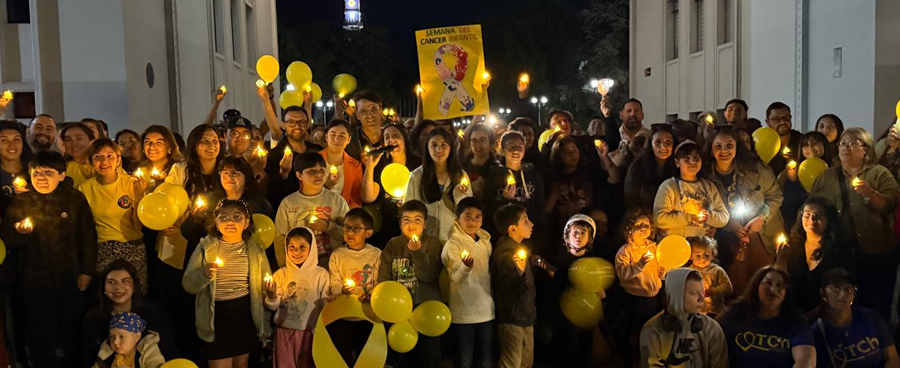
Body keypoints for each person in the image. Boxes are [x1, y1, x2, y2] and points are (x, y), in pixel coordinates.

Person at [1, 151, 97, 368]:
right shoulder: (21, 200)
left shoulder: (74, 199)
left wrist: (87, 271)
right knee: (39, 329)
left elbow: (88, 236)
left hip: (70, 276)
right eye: (36, 173)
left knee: (73, 327)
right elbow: (7, 239)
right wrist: (19, 233)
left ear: (61, 175)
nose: (41, 177)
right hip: (33, 278)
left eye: (48, 173)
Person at [810, 127, 900, 322]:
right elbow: (811, 207)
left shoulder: (879, 173)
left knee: (877, 304)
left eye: (852, 144)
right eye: (842, 143)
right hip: (839, 251)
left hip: (875, 250)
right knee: (841, 304)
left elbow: (891, 203)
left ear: (865, 150)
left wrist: (870, 194)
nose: (845, 148)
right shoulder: (826, 177)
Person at [182, 199, 272, 368]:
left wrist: (265, 321)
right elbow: (188, 284)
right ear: (216, 222)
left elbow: (264, 289)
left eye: (237, 217)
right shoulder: (206, 247)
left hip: (244, 316)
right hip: (217, 318)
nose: (230, 222)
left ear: (246, 223)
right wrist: (204, 274)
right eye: (224, 217)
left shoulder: (254, 250)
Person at [703, 128, 783, 295]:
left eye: (729, 145)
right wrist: (727, 223)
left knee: (761, 283)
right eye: (718, 146)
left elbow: (775, 195)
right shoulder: (705, 177)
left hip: (760, 236)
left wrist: (762, 217)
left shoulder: (755, 170)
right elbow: (703, 208)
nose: (724, 151)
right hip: (727, 241)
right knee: (735, 288)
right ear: (711, 149)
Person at [379, 200, 444, 368]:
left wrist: (418, 252)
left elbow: (430, 275)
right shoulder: (394, 244)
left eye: (417, 220)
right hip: (398, 313)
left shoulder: (433, 243)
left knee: (428, 356)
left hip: (425, 309)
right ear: (400, 223)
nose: (411, 225)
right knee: (400, 357)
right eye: (406, 220)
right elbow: (384, 277)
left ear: (425, 224)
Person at [78, 138, 149, 291]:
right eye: (98, 157)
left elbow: (138, 225)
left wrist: (138, 196)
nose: (104, 161)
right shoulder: (84, 189)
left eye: (110, 156)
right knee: (107, 297)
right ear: (91, 161)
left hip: (132, 246)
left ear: (118, 160)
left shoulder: (132, 183)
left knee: (135, 295)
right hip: (102, 250)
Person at [717, 266, 816, 368]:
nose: (773, 290)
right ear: (756, 286)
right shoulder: (733, 315)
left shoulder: (796, 324)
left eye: (780, 285)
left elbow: (807, 362)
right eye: (768, 283)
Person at [82, 260, 174, 367]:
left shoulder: (153, 312)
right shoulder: (93, 319)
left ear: (134, 286)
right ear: (103, 288)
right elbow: (85, 359)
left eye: (124, 281)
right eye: (111, 282)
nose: (118, 287)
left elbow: (168, 350)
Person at [265, 226, 329, 368]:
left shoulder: (321, 274)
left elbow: (326, 301)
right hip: (284, 332)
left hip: (310, 333)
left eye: (302, 247)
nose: (296, 252)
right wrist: (271, 295)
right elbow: (272, 305)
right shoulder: (281, 274)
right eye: (291, 247)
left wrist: (330, 302)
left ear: (311, 249)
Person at [639, 268, 728, 368]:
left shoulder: (712, 328)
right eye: (694, 293)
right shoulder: (652, 330)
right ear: (675, 295)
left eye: (702, 292)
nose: (702, 298)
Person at [810, 268, 900, 368]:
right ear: (823, 293)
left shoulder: (870, 317)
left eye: (849, 289)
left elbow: (893, 357)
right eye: (836, 288)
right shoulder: (817, 333)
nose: (843, 294)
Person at [442, 197, 494, 368]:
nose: (472, 221)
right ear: (457, 219)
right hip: (463, 310)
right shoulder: (453, 244)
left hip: (486, 309)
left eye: (477, 217)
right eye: (467, 216)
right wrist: (465, 267)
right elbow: (455, 277)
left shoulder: (485, 242)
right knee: (464, 359)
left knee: (485, 358)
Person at [274, 152, 349, 268]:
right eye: (312, 171)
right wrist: (284, 266)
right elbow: (280, 238)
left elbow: (349, 232)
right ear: (299, 175)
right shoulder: (288, 203)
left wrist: (328, 227)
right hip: (298, 265)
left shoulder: (336, 200)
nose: (318, 175)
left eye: (322, 170)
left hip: (332, 264)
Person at [326, 208, 381, 365]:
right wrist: (342, 290)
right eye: (346, 227)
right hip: (344, 314)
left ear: (368, 233)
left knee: (366, 357)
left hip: (367, 314)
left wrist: (372, 294)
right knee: (342, 356)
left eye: (355, 228)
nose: (349, 232)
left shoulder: (376, 254)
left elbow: (379, 281)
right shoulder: (338, 255)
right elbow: (334, 282)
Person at [786, 197, 855, 315]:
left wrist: (811, 316)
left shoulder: (839, 252)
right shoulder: (792, 247)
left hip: (826, 316)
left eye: (819, 215)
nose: (812, 219)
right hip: (793, 314)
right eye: (807, 214)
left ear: (829, 219)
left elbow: (840, 292)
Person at [613, 208, 664, 367]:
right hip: (634, 299)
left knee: (651, 331)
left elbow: (661, 268)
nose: (643, 228)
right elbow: (622, 274)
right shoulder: (625, 251)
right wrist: (639, 265)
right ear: (629, 228)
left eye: (647, 225)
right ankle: (631, 360)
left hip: (653, 298)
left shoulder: (655, 248)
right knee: (634, 332)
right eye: (639, 224)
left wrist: (663, 272)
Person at [406, 128, 472, 243]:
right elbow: (409, 208)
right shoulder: (416, 176)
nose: (439, 149)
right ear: (427, 147)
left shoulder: (460, 176)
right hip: (425, 240)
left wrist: (460, 197)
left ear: (451, 148)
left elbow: (468, 210)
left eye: (443, 145)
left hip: (453, 240)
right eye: (434, 145)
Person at [491, 203, 537, 368]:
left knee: (525, 362)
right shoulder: (506, 252)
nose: (531, 224)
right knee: (512, 363)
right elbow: (504, 287)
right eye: (525, 221)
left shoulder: (518, 248)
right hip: (512, 319)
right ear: (512, 228)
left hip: (525, 316)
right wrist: (519, 273)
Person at [361, 124, 422, 247]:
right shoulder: (381, 167)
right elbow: (368, 197)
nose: (391, 140)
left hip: (414, 222)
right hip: (388, 224)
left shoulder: (418, 164)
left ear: (404, 140)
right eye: (387, 137)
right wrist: (370, 167)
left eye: (396, 135)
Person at [654, 141, 729, 238]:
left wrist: (708, 217)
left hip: (703, 247)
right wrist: (690, 217)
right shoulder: (669, 186)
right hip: (677, 245)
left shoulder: (709, 186)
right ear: (677, 162)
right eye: (687, 159)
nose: (692, 162)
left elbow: (724, 217)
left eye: (696, 158)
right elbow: (660, 219)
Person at [484, 131, 545, 249]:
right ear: (502, 150)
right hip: (504, 236)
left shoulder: (533, 175)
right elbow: (489, 203)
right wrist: (503, 198)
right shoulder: (494, 175)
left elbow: (539, 207)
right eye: (511, 146)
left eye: (520, 146)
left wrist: (539, 236)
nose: (516, 150)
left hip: (529, 235)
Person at [265, 106, 323, 208]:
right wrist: (283, 173)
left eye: (302, 122)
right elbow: (270, 192)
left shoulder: (317, 151)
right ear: (283, 125)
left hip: (317, 206)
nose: (297, 126)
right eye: (291, 122)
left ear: (307, 124)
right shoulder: (274, 155)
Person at [778, 132, 832, 231]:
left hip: (829, 226)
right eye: (805, 145)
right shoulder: (792, 172)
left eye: (815, 143)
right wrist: (793, 182)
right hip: (798, 228)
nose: (810, 148)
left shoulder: (834, 170)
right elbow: (787, 204)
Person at [624, 125, 675, 211]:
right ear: (651, 144)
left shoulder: (679, 165)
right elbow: (630, 199)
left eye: (668, 142)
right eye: (658, 142)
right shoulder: (638, 167)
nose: (663, 147)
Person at [90, 312, 165, 368]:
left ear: (137, 336)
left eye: (121, 336)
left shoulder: (148, 350)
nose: (115, 342)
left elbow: (156, 365)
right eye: (112, 336)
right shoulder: (106, 354)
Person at [686, 236, 732, 317]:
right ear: (690, 256)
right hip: (694, 311)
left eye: (706, 255)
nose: (703, 259)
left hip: (714, 311)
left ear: (712, 255)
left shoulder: (717, 270)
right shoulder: (687, 272)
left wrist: (712, 292)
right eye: (698, 255)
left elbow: (728, 288)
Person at [322, 119, 363, 208]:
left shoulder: (355, 165)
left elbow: (356, 198)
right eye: (332, 135)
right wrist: (327, 185)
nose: (336, 139)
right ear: (326, 137)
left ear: (348, 140)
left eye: (342, 136)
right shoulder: (314, 160)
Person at [137, 125, 183, 193]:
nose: (152, 146)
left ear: (169, 148)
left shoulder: (179, 170)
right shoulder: (140, 173)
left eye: (159, 142)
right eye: (147, 141)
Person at [345, 90, 386, 161]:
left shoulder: (391, 137)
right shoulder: (350, 141)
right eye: (363, 111)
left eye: (373, 109)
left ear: (380, 110)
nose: (369, 115)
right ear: (357, 115)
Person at [764, 102, 803, 175]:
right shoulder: (763, 143)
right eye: (776, 119)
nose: (782, 122)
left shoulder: (802, 140)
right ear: (768, 122)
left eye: (786, 118)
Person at [461, 124, 499, 199]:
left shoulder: (498, 170)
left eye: (482, 140)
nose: (477, 144)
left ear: (491, 143)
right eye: (474, 140)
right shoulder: (463, 167)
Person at [60, 122, 97, 187]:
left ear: (91, 141)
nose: (74, 144)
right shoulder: (62, 169)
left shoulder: (104, 165)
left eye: (79, 138)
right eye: (68, 140)